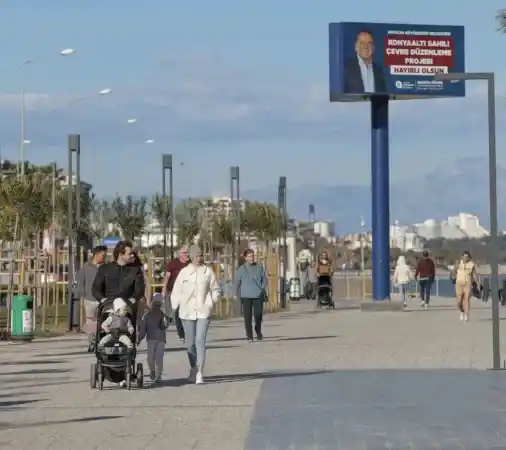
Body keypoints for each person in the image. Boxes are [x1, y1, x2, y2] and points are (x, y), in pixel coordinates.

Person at [170, 245, 220, 384]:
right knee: (190, 343)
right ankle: (193, 368)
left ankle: (200, 372)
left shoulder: (208, 272)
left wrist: (212, 301)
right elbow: (176, 291)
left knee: (200, 341)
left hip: (203, 311)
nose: (199, 259)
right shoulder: (184, 273)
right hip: (187, 312)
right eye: (196, 256)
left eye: (200, 256)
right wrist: (176, 305)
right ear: (191, 257)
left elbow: (215, 289)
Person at [91, 240, 146, 315]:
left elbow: (139, 288)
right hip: (108, 306)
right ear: (120, 254)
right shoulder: (104, 269)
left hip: (127, 307)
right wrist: (102, 299)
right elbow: (96, 287)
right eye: (130, 254)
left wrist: (134, 298)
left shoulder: (135, 270)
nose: (133, 255)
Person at [76, 245, 107, 349]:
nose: (104, 257)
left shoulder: (106, 267)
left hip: (103, 299)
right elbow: (81, 282)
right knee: (91, 323)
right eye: (103, 255)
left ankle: (102, 342)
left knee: (104, 321)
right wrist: (82, 296)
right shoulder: (86, 267)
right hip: (89, 299)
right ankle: (92, 343)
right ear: (96, 255)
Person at [234, 249, 269, 343]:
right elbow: (237, 282)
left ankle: (258, 331)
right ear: (245, 258)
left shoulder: (259, 267)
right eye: (249, 256)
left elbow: (265, 279)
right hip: (246, 296)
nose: (252, 258)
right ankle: (249, 336)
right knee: (247, 316)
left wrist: (261, 288)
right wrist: (234, 293)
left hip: (258, 295)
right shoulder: (241, 269)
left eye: (253, 256)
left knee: (258, 315)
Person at [137, 293, 170, 383]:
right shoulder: (147, 316)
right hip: (151, 339)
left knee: (159, 358)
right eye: (155, 304)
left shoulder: (163, 315)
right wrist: (139, 338)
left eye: (158, 304)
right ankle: (153, 371)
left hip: (160, 340)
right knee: (150, 358)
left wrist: (165, 321)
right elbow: (143, 330)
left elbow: (164, 326)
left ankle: (159, 375)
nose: (156, 306)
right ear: (152, 303)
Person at [162, 245, 189, 342]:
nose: (187, 254)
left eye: (188, 252)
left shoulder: (190, 264)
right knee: (177, 313)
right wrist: (164, 289)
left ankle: (188, 332)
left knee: (186, 313)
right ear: (180, 254)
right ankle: (181, 334)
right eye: (185, 253)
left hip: (188, 292)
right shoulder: (173, 263)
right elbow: (167, 277)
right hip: (174, 292)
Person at [453, 251, 478, 321]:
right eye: (464, 256)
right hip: (459, 284)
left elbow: (474, 275)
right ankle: (461, 311)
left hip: (467, 284)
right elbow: (454, 272)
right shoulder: (459, 263)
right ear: (462, 257)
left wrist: (476, 284)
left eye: (467, 256)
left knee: (466, 300)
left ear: (469, 257)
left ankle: (466, 314)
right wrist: (455, 267)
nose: (465, 258)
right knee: (459, 301)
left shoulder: (471, 264)